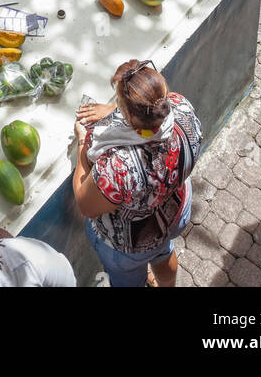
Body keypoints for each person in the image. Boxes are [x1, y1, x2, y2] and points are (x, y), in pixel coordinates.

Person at [71, 58, 202, 289]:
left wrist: (83, 144)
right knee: (163, 252)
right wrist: (115, 110)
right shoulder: (183, 110)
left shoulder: (117, 167)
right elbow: (157, 111)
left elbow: (85, 204)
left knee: (129, 279)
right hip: (175, 214)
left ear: (128, 115)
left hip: (132, 244)